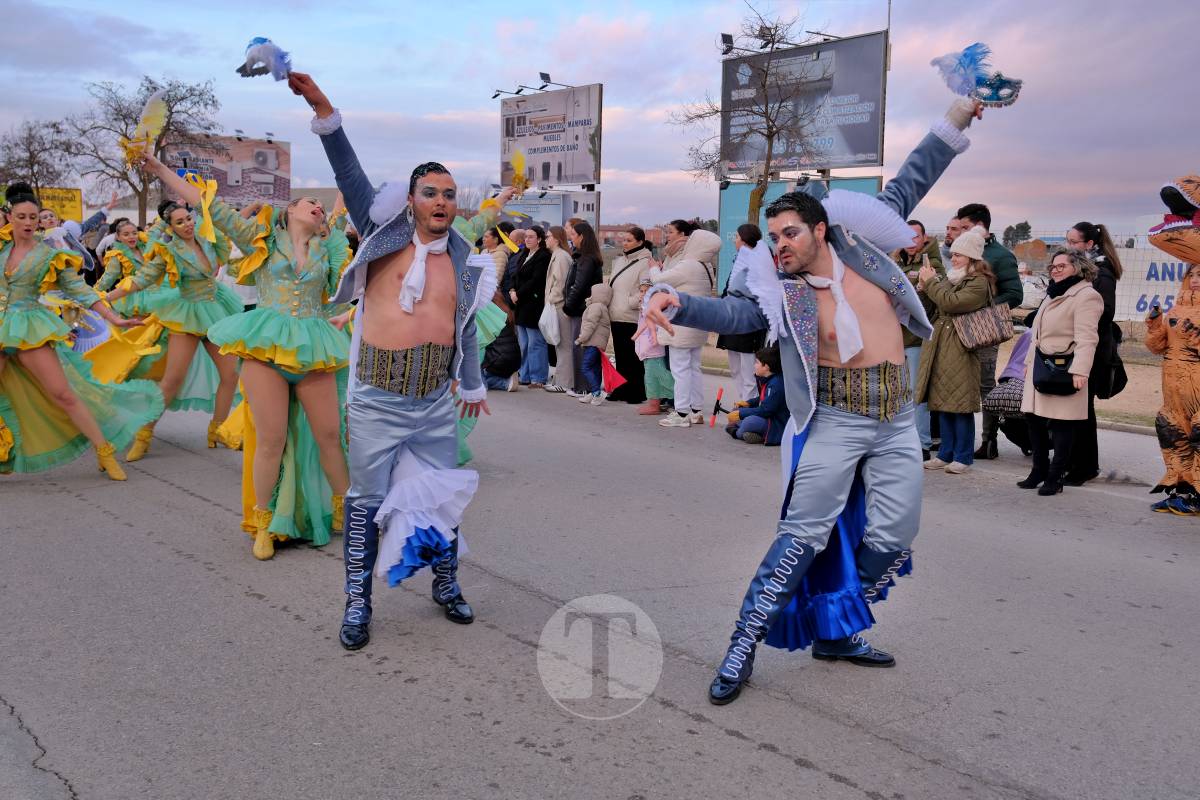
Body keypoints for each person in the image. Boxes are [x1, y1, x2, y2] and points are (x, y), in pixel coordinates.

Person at [641, 97, 986, 705]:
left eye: (790, 233)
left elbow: (914, 176)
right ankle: (742, 646)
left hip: (895, 419)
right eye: (773, 237)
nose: (780, 244)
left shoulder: (864, 243)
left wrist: (956, 117)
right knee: (802, 536)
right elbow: (739, 312)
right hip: (836, 420)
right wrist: (681, 302)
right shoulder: (782, 289)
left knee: (895, 533)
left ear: (820, 229)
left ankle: (836, 629)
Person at [291, 70, 491, 650]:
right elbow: (348, 172)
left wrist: (472, 384)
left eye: (449, 193)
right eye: (430, 192)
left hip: (432, 402)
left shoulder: (463, 257)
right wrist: (323, 107)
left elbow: (464, 326)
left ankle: (445, 583)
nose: (441, 201)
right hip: (377, 398)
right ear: (410, 199)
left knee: (441, 498)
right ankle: (358, 601)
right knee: (366, 503)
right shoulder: (382, 236)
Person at [138, 153, 354, 559]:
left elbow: (347, 194)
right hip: (265, 347)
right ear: (289, 211)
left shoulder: (329, 245)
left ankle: (347, 513)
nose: (318, 207)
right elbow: (208, 204)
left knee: (329, 436)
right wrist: (159, 169)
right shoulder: (261, 238)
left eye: (321, 207)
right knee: (270, 440)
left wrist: (341, 161)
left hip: (313, 348)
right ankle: (263, 522)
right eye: (310, 202)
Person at [0, 181, 160, 479]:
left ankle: (104, 450)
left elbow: (80, 290)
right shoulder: (1, 247)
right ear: (9, 216)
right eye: (21, 216)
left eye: (33, 217)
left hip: (29, 327)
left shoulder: (49, 255)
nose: (28, 222)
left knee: (63, 394)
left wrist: (112, 317)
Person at [104, 187, 244, 460]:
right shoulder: (168, 251)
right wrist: (104, 298)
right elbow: (141, 279)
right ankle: (144, 435)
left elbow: (222, 240)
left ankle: (217, 429)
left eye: (188, 219)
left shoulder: (207, 239)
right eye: (179, 222)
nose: (187, 224)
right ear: (170, 227)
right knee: (172, 380)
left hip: (215, 310)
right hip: (187, 314)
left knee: (231, 375)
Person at [1017, 248, 1103, 496]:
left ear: (1077, 267)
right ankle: (1038, 471)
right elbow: (1036, 334)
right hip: (1040, 366)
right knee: (1034, 420)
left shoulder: (1087, 296)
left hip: (1066, 369)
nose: (1055, 270)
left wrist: (1081, 371)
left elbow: (1087, 338)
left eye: (1061, 266)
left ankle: (1055, 477)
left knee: (1062, 424)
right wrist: (1027, 363)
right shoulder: (1053, 292)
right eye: (1053, 266)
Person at [916, 226, 996, 473]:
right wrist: (923, 288)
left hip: (962, 346)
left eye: (959, 255)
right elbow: (934, 307)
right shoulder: (952, 278)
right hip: (941, 343)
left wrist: (932, 283)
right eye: (953, 254)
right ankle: (945, 454)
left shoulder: (979, 282)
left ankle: (963, 456)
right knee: (942, 402)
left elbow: (951, 303)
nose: (954, 258)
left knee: (960, 404)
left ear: (972, 257)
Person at [1146, 174, 1200, 514]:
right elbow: (1156, 347)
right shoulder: (1178, 307)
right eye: (1192, 275)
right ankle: (1182, 487)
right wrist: (1155, 324)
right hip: (1174, 384)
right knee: (1171, 430)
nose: (1195, 280)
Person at [955, 203, 1021, 461]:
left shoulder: (1000, 256)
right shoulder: (959, 251)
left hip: (984, 330)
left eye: (965, 227)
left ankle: (988, 441)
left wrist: (982, 308)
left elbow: (1015, 294)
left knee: (984, 386)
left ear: (980, 226)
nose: (960, 232)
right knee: (958, 384)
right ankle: (955, 441)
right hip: (958, 329)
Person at [1064, 221, 1125, 485]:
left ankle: (1085, 467)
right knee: (1075, 409)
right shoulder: (1082, 270)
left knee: (1083, 411)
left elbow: (1105, 311)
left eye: (1074, 242)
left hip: (1093, 351)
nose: (1069, 246)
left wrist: (1076, 317)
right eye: (1067, 241)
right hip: (1079, 346)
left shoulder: (1102, 274)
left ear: (1089, 244)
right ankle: (1074, 462)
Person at [650, 229, 720, 428]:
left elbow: (659, 281)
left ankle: (681, 412)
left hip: (681, 325)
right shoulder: (706, 265)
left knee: (680, 369)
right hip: (697, 324)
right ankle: (696, 411)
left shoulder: (689, 265)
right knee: (694, 368)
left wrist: (654, 268)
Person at [895, 219, 944, 459]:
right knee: (898, 393)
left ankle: (921, 444)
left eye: (915, 236)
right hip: (895, 338)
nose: (910, 241)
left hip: (916, 338)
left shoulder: (931, 264)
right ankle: (901, 441)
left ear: (924, 238)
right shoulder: (895, 262)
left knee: (917, 393)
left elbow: (933, 300)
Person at [716, 224, 768, 405]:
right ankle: (742, 402)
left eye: (737, 237)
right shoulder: (738, 261)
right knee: (735, 369)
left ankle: (750, 406)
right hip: (733, 321)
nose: (734, 240)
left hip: (749, 324)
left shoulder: (758, 263)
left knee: (749, 371)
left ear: (745, 241)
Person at [605, 227, 652, 405]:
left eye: (629, 240)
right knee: (620, 355)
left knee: (633, 356)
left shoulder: (645, 262)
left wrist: (630, 302)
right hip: (616, 313)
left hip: (632, 315)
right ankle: (621, 388)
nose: (625, 243)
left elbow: (646, 289)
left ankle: (636, 391)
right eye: (624, 240)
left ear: (640, 242)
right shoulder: (619, 260)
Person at [563, 220, 603, 397]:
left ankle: (584, 387)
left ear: (582, 237)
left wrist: (568, 306)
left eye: (573, 235)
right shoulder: (583, 257)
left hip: (582, 309)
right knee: (582, 347)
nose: (571, 238)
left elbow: (579, 286)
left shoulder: (586, 259)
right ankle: (586, 387)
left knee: (580, 347)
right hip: (582, 308)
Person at [509, 225, 550, 388]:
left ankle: (538, 377)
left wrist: (518, 294)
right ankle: (524, 375)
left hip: (533, 304)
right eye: (526, 236)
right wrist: (512, 290)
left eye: (531, 236)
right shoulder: (524, 254)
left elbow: (536, 280)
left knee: (535, 342)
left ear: (539, 239)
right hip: (520, 304)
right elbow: (515, 275)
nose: (527, 239)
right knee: (524, 343)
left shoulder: (543, 256)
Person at [725, 344, 787, 445]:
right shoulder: (769, 380)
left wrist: (741, 414)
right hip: (766, 418)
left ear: (766, 367)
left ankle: (736, 433)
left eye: (757, 362)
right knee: (737, 410)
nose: (754, 365)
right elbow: (764, 398)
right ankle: (752, 433)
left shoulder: (776, 384)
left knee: (749, 421)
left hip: (775, 424)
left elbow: (766, 410)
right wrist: (748, 403)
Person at [634, 277, 673, 414]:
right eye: (641, 291)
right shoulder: (643, 309)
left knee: (661, 377)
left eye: (647, 291)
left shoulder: (654, 309)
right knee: (651, 378)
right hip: (646, 351)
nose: (643, 294)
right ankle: (654, 404)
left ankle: (681, 399)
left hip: (653, 350)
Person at [542, 225, 574, 393]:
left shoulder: (561, 257)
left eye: (548, 236)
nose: (545, 239)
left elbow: (560, 284)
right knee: (559, 344)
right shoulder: (557, 255)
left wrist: (551, 301)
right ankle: (560, 379)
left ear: (556, 238)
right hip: (556, 305)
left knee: (564, 345)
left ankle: (565, 382)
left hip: (559, 306)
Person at [575, 283, 612, 405]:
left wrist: (581, 339)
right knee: (595, 368)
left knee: (586, 367)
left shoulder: (595, 307)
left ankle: (596, 392)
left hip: (592, 342)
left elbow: (590, 324)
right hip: (598, 343)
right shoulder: (602, 307)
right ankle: (593, 391)